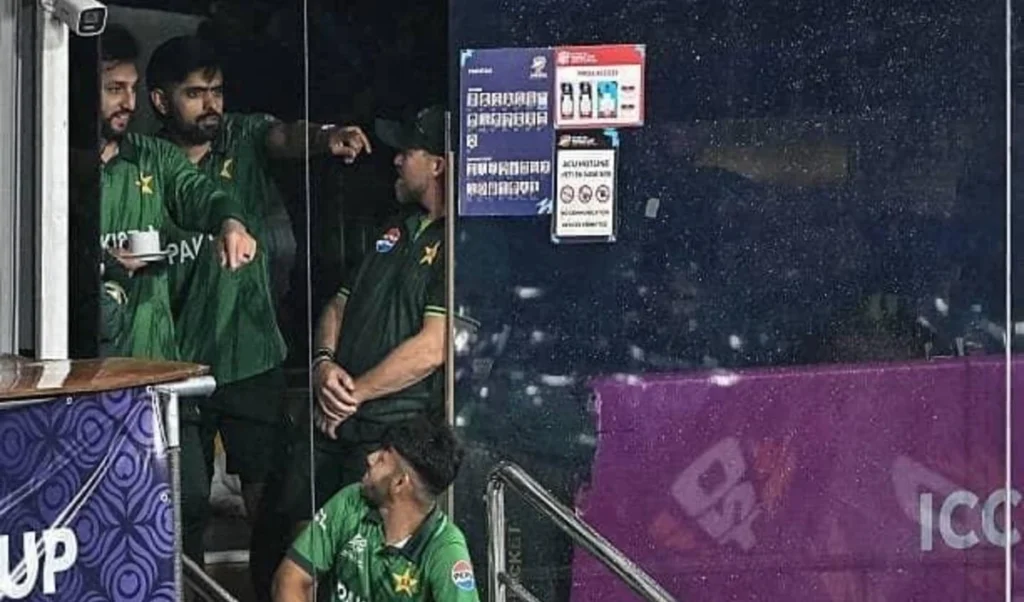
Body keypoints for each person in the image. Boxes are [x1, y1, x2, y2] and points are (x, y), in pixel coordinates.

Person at [143, 35, 372, 566]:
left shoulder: (240, 136)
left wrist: (327, 137)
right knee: (182, 506)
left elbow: (284, 136)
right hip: (176, 363)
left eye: (217, 91)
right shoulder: (146, 161)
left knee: (271, 504)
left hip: (249, 355)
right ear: (160, 101)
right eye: (195, 94)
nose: (211, 105)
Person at [252, 105, 454, 600]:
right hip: (332, 421)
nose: (396, 161)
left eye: (407, 152)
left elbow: (432, 348)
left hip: (386, 433)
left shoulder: (460, 242)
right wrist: (323, 365)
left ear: (437, 164)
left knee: (358, 560)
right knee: (291, 546)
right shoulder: (393, 230)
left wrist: (353, 394)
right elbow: (337, 306)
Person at [96, 25, 256, 361]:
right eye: (114, 89)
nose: (129, 103)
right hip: (82, 369)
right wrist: (105, 264)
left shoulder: (155, 156)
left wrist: (230, 223)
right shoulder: (48, 170)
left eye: (133, 89)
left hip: (153, 365)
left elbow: (200, 194)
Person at [272, 417, 479, 602]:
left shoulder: (445, 549)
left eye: (382, 458)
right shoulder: (351, 500)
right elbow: (289, 581)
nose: (370, 458)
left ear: (399, 483)